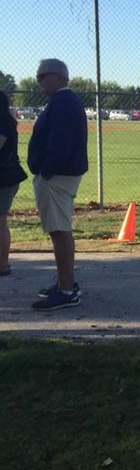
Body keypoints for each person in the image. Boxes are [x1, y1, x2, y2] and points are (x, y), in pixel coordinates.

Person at [27, 59, 88, 310]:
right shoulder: (62, 101)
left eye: (44, 76)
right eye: (38, 76)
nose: (39, 80)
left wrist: (46, 171)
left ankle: (66, 290)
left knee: (59, 231)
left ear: (61, 77)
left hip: (56, 177)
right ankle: (66, 283)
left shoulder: (62, 103)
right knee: (59, 230)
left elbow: (59, 142)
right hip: (60, 175)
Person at [0, 91, 29, 276]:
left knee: (0, 223)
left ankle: (3, 265)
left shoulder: (3, 123)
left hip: (4, 178)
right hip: (6, 177)